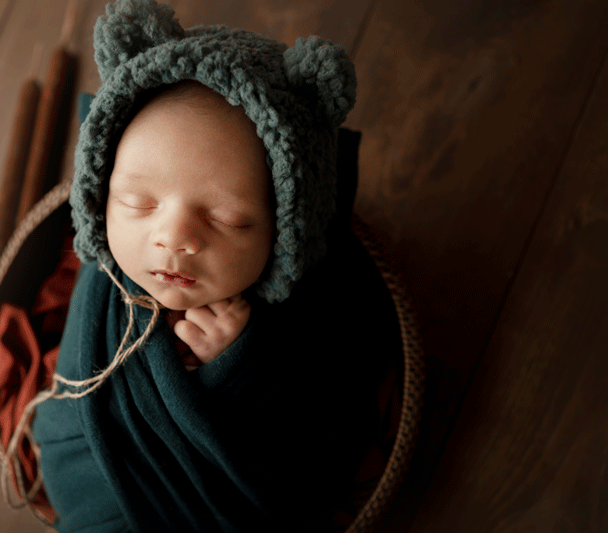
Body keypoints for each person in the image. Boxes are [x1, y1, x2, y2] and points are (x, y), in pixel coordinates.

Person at [28, 0, 402, 531]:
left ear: (284, 233)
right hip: (100, 485)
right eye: (138, 204)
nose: (174, 239)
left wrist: (237, 361)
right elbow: (72, 404)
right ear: (100, 195)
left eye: (228, 219)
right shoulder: (102, 282)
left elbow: (311, 426)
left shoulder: (306, 303)